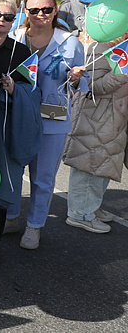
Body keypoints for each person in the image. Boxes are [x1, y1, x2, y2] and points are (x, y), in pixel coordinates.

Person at [9, 0, 87, 249]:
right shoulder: (15, 37)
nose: (40, 15)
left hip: (52, 118)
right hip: (18, 116)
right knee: (13, 170)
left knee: (42, 177)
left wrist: (78, 78)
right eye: (34, 10)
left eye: (46, 9)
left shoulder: (70, 42)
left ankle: (34, 225)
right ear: (26, 13)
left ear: (55, 11)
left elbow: (85, 84)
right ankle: (9, 215)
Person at [0, 0, 42, 264]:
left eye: (8, 17)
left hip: (4, 127)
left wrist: (14, 89)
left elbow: (34, 91)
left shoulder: (22, 53)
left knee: (0, 187)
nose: (2, 21)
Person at [62, 35, 128, 233]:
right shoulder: (99, 49)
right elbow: (92, 86)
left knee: (103, 165)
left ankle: (91, 207)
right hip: (96, 116)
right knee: (88, 165)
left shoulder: (121, 48)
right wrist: (121, 73)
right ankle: (79, 214)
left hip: (114, 117)